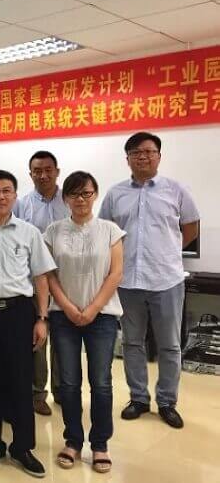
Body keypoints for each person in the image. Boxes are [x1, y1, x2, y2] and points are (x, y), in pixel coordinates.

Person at [99, 131, 200, 429]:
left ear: (159, 156)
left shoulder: (176, 190)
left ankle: (167, 402)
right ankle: (139, 398)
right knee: (132, 342)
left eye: (148, 151)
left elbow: (191, 226)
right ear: (127, 159)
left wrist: (168, 251)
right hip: (128, 281)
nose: (142, 157)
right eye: (136, 153)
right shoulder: (115, 193)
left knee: (170, 345)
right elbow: (106, 231)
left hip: (166, 279)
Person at [0, 170, 55, 479]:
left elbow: (41, 277)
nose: (0, 196)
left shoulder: (29, 232)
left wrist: (42, 318)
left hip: (19, 314)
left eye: (6, 190)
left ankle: (22, 447)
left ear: (15, 196)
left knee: (20, 381)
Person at [44, 171, 124, 474]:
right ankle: (73, 441)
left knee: (101, 382)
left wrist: (92, 309)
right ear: (65, 198)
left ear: (95, 194)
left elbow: (115, 273)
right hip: (63, 316)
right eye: (74, 194)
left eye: (86, 193)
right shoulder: (53, 231)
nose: (80, 199)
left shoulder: (110, 230)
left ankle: (100, 444)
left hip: (102, 316)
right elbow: (49, 274)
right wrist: (67, 307)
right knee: (68, 382)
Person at [13, 150, 70, 416]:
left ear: (57, 172)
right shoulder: (22, 204)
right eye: (37, 171)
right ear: (31, 174)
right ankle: (37, 393)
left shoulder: (70, 200)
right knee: (38, 339)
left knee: (64, 339)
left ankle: (63, 390)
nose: (43, 175)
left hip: (68, 280)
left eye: (48, 170)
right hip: (35, 282)